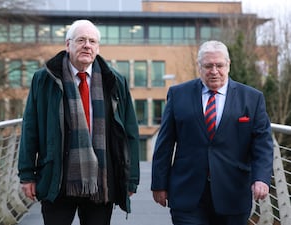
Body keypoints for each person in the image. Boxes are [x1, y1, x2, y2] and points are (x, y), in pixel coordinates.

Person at [18, 19, 140, 225]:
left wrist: (131, 179)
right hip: (57, 177)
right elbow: (31, 127)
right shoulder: (44, 79)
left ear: (98, 47)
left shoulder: (115, 81)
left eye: (92, 41)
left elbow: (130, 132)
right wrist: (27, 174)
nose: (87, 45)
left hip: (103, 180)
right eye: (81, 40)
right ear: (68, 45)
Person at [151, 40, 273, 225]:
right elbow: (165, 143)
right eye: (208, 66)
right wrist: (159, 184)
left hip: (233, 193)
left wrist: (261, 178)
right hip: (187, 192)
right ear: (199, 67)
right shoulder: (178, 94)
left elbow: (262, 143)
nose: (214, 71)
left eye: (219, 65)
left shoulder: (252, 99)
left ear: (228, 65)